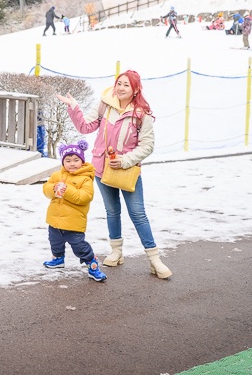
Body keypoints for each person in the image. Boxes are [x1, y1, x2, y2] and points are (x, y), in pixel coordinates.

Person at [56, 71, 172, 280]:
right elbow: (85, 126)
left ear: (135, 89)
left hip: (127, 171)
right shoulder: (105, 104)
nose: (120, 88)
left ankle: (154, 258)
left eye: (126, 85)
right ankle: (116, 251)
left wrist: (125, 160)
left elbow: (147, 145)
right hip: (102, 168)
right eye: (119, 83)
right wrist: (74, 107)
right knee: (112, 211)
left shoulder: (141, 114)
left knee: (137, 213)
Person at [41, 140, 106, 282]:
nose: (72, 163)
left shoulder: (85, 179)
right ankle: (58, 259)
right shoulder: (57, 175)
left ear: (82, 161)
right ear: (63, 162)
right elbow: (46, 189)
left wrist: (66, 190)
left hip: (73, 222)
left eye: (76, 160)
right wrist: (53, 189)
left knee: (79, 246)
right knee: (55, 242)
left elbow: (84, 197)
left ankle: (92, 264)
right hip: (55, 219)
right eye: (68, 160)